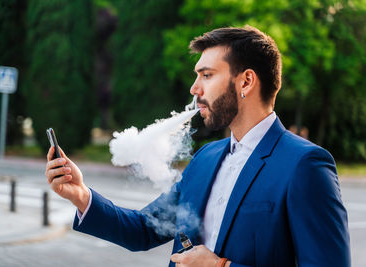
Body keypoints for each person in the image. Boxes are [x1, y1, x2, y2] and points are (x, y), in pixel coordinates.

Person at [45, 26, 350, 267]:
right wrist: (81, 196)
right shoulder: (206, 158)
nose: (194, 89)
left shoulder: (305, 165)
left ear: (245, 82)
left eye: (207, 75)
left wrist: (221, 266)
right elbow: (145, 229)